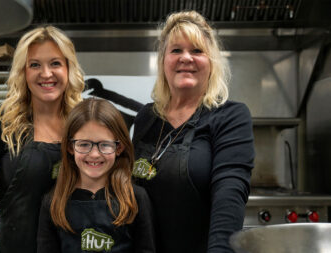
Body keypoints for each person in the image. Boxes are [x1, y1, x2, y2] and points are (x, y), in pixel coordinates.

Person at [0, 26, 85, 253]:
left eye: (55, 63)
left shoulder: (85, 128)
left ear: (69, 69)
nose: (46, 73)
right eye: (35, 64)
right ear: (23, 72)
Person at [132, 11, 255, 253]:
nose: (186, 58)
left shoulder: (230, 116)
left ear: (211, 62)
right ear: (163, 61)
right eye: (176, 50)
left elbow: (229, 195)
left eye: (197, 51)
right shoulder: (146, 117)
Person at [37, 98, 155, 253]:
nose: (94, 154)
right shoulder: (53, 202)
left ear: (119, 148)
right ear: (70, 147)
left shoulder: (136, 198)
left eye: (104, 145)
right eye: (84, 144)